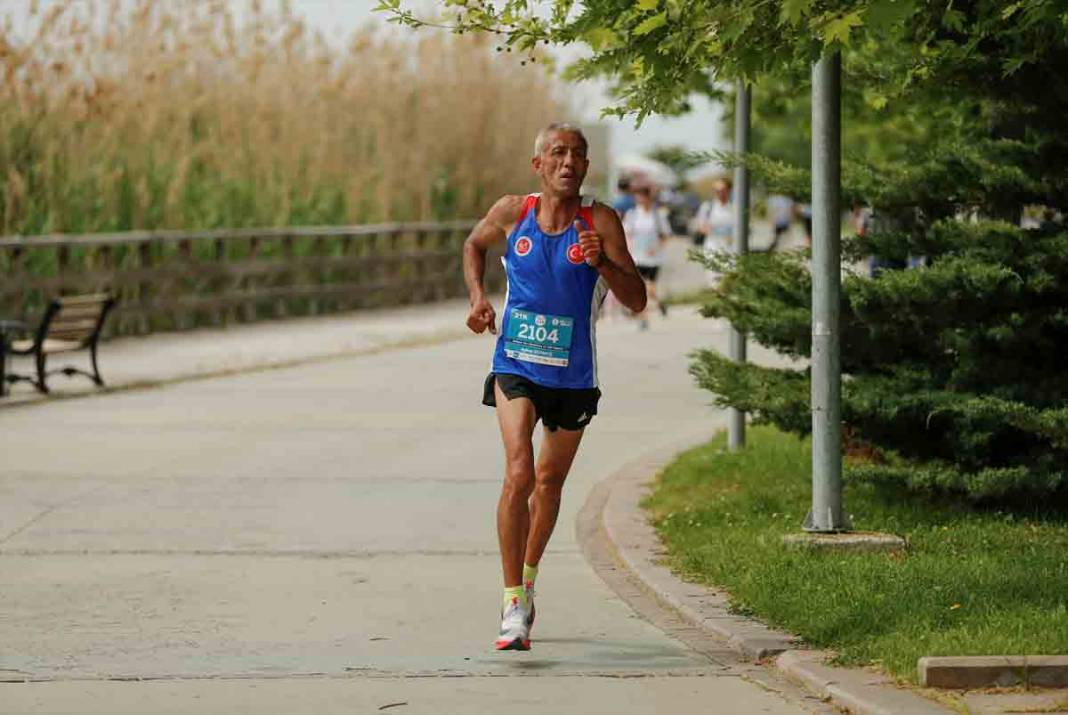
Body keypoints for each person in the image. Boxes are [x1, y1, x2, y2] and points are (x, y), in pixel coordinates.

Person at [463, 123, 647, 651]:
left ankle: (529, 577)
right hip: (516, 362)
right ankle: (512, 602)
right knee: (519, 471)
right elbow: (474, 244)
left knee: (548, 483)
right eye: (558, 153)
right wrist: (478, 298)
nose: (569, 162)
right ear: (538, 164)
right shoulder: (512, 212)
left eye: (579, 155)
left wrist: (603, 262)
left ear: (587, 167)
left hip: (573, 375)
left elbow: (635, 299)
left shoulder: (601, 221)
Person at [621, 184, 671, 328]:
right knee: (642, 288)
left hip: (654, 258)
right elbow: (627, 234)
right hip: (637, 257)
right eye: (638, 197)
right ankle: (643, 319)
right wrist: (628, 250)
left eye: (643, 196)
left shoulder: (658, 215)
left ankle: (660, 303)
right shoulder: (632, 214)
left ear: (649, 197)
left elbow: (666, 236)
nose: (640, 199)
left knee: (651, 289)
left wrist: (656, 248)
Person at [695, 178, 734, 286]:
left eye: (722, 189)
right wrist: (709, 230)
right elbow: (700, 226)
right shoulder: (708, 207)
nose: (719, 193)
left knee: (729, 281)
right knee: (714, 282)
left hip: (730, 251)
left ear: (729, 190)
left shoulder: (735, 207)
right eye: (716, 190)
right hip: (712, 249)